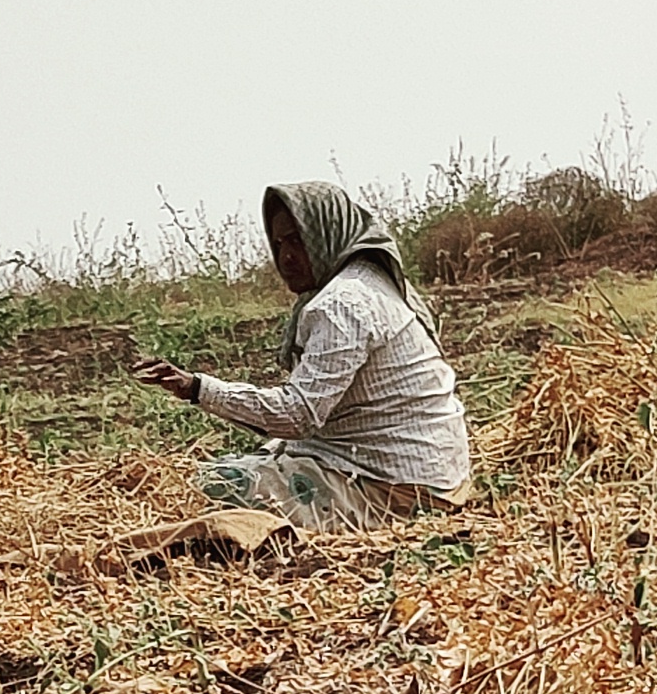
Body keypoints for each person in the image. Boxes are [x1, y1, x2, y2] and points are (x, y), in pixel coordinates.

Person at [136, 181, 471, 529]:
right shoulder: (371, 280)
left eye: (297, 240)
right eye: (279, 244)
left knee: (215, 483)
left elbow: (299, 416)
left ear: (327, 233)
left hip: (393, 489)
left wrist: (197, 388)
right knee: (252, 462)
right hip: (440, 476)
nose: (286, 257)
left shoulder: (343, 303)